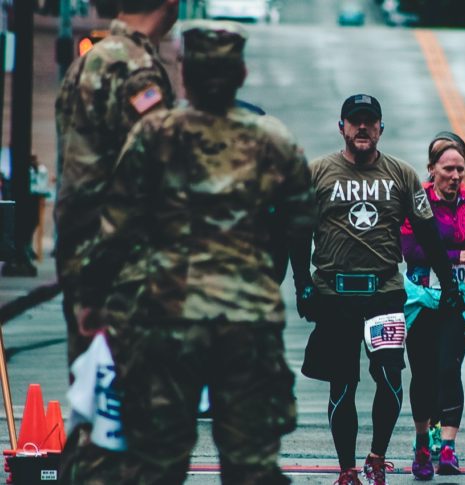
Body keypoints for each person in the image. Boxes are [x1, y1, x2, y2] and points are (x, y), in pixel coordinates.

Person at [68, 20, 316, 484]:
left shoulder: (153, 135)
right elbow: (301, 224)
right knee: (251, 465)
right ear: (241, 74)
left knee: (158, 461)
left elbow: (116, 227)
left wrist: (93, 298)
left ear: (184, 74)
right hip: (248, 323)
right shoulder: (275, 142)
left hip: (167, 317)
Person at [293, 94, 465, 485]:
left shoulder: (401, 175)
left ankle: (376, 457)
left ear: (380, 129)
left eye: (370, 122)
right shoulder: (318, 173)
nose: (362, 128)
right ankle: (346, 469)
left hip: (384, 293)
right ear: (342, 127)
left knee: (389, 376)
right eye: (355, 122)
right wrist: (302, 283)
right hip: (334, 295)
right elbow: (298, 233)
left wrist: (448, 281)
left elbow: (427, 232)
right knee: (343, 384)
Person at [54, 0, 178, 369]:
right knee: (126, 401)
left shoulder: (89, 62)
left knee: (92, 391)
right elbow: (149, 174)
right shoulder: (136, 68)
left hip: (83, 253)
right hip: (122, 267)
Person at [400, 131, 465, 479]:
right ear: (431, 169)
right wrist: (458, 254)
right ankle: (421, 444)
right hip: (422, 299)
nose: (455, 176)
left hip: (460, 298)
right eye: (448, 169)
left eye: (460, 169)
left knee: (448, 368)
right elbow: (410, 250)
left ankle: (447, 449)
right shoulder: (417, 201)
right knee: (424, 373)